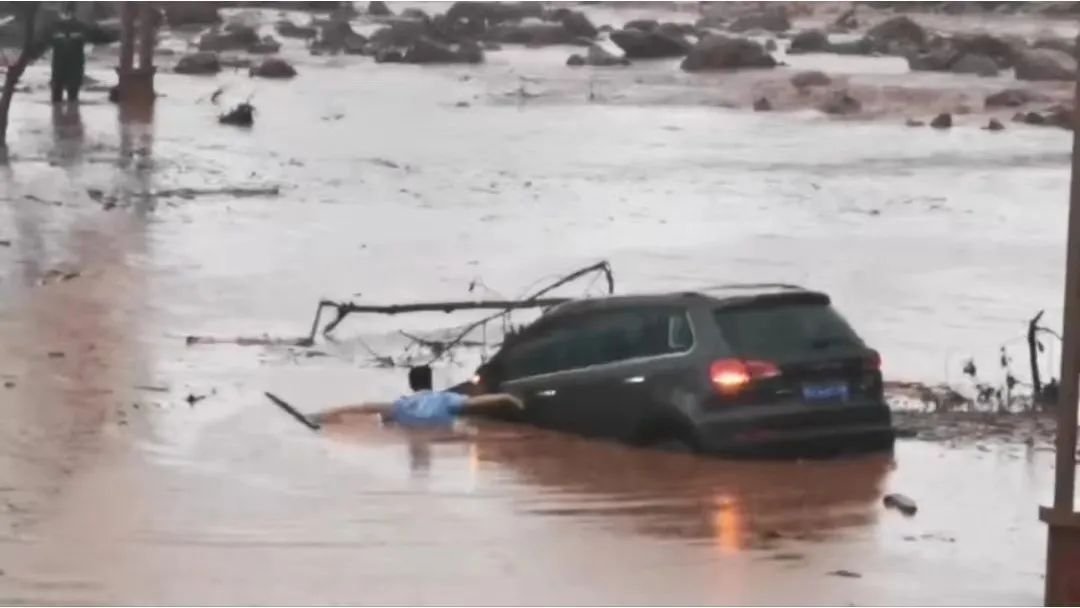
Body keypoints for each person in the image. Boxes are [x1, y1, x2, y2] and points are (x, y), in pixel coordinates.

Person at [313, 365, 523, 428]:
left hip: (408, 429)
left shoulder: (401, 406)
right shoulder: (446, 400)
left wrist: (325, 415)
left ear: (411, 384)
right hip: (443, 431)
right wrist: (508, 399)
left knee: (385, 424)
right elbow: (479, 402)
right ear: (430, 382)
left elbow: (363, 407)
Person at [32, 4, 119, 104]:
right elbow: (100, 38)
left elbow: (40, 44)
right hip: (73, 69)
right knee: (71, 97)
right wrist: (116, 36)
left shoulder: (54, 27)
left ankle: (61, 115)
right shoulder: (80, 27)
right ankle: (70, 116)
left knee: (57, 98)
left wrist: (31, 57)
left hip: (61, 68)